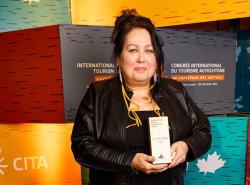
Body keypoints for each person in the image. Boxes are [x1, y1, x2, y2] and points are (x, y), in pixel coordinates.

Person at [71, 9, 211, 185]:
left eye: (149, 51)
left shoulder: (176, 90)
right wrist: (129, 161)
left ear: (157, 57)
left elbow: (203, 131)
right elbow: (81, 146)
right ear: (118, 58)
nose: (141, 59)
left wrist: (186, 147)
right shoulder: (98, 94)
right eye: (132, 50)